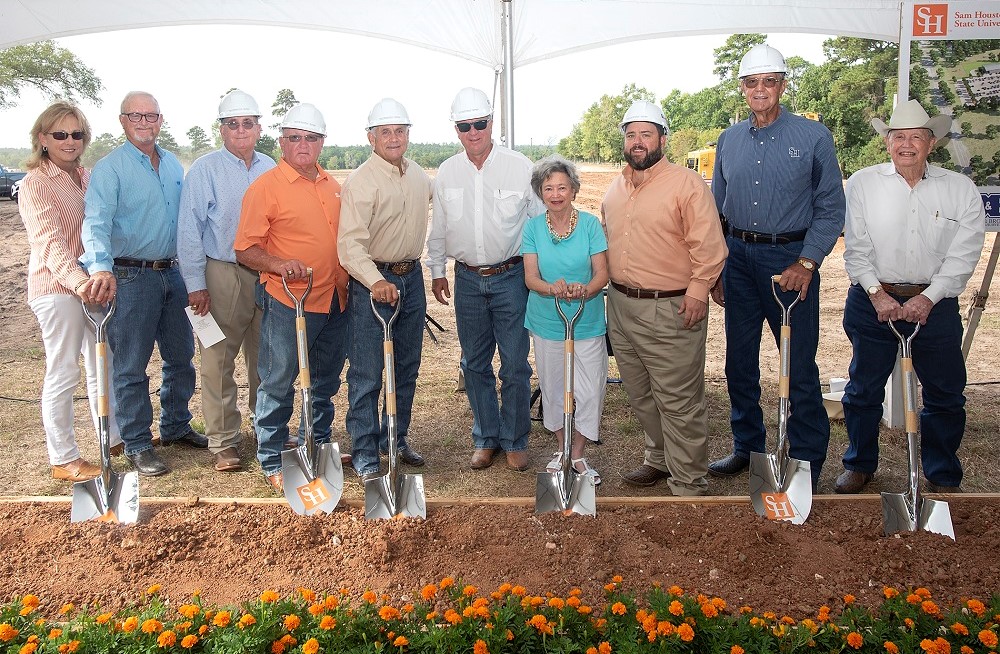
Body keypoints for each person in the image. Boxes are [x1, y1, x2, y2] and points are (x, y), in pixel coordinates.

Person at [709, 44, 845, 489]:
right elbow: (717, 211)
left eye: (769, 81)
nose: (760, 90)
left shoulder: (813, 137)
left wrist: (807, 262)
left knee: (798, 364)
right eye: (752, 82)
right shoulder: (728, 140)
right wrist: (717, 269)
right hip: (739, 261)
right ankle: (747, 446)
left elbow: (829, 208)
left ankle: (806, 458)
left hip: (789, 261)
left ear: (783, 85)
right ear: (743, 88)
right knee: (739, 363)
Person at [836, 99, 985, 494]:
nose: (906, 145)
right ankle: (859, 464)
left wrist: (930, 298)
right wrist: (876, 293)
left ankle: (941, 472)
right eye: (898, 136)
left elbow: (965, 253)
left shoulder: (960, 190)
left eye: (915, 137)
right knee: (863, 389)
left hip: (935, 306)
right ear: (887, 143)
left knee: (945, 393)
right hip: (873, 302)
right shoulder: (864, 184)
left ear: (930, 143)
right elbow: (857, 247)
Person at [601, 100, 728, 496]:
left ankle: (690, 480)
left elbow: (709, 246)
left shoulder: (686, 184)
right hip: (621, 306)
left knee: (678, 399)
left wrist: (698, 292)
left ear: (662, 138)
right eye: (631, 135)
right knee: (640, 394)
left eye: (646, 134)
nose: (637, 142)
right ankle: (658, 457)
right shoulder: (616, 187)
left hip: (671, 306)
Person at [80, 91, 206, 477]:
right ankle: (136, 442)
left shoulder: (171, 165)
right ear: (122, 120)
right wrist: (100, 268)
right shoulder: (110, 169)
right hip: (130, 275)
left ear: (161, 120)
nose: (144, 121)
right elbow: (96, 223)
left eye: (151, 115)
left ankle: (175, 425)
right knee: (132, 364)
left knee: (181, 356)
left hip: (173, 272)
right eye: (136, 115)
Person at [427, 87, 544, 472]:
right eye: (465, 126)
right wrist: (437, 270)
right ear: (456, 129)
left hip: (511, 277)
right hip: (468, 282)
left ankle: (515, 439)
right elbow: (439, 225)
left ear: (492, 123)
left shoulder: (519, 166)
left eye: (480, 123)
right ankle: (486, 436)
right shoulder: (447, 172)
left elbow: (537, 222)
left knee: (514, 364)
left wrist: (537, 272)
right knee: (474, 363)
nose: (473, 131)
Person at [234, 103, 350, 492]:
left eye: (312, 138)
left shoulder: (333, 185)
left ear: (322, 143)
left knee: (324, 380)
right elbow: (245, 249)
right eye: (295, 138)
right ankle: (271, 458)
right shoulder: (265, 188)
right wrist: (280, 263)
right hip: (290, 301)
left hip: (335, 300)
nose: (303, 144)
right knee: (279, 378)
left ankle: (313, 444)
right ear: (282, 142)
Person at [19, 101, 123, 482]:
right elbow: (49, 242)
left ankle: (111, 437)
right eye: (60, 134)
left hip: (91, 287)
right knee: (63, 370)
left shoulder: (88, 176)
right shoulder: (35, 183)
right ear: (42, 138)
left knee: (101, 363)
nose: (69, 141)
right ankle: (63, 457)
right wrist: (80, 282)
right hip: (57, 287)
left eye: (76, 134)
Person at [177, 90, 276, 473]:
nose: (240, 130)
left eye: (247, 123)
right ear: (221, 129)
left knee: (266, 358)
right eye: (232, 123)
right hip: (221, 273)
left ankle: (266, 428)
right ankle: (223, 441)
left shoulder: (270, 166)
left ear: (258, 127)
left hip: (265, 273)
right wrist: (194, 283)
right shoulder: (205, 169)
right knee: (218, 358)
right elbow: (189, 229)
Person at [339, 98, 431, 481]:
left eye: (400, 131)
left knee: (406, 366)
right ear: (371, 137)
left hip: (411, 278)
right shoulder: (361, 181)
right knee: (368, 371)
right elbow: (349, 244)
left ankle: (395, 437)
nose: (394, 138)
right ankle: (364, 449)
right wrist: (376, 281)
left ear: (408, 134)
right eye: (386, 132)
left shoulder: (420, 177)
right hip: (373, 282)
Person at [522, 156, 609, 484]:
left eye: (562, 187)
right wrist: (551, 288)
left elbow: (603, 273)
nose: (556, 194)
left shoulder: (588, 225)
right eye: (548, 188)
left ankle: (579, 455)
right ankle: (561, 448)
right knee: (555, 387)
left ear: (573, 190)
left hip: (586, 320)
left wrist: (585, 290)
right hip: (547, 319)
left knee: (589, 389)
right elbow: (531, 278)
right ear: (540, 193)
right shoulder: (532, 228)